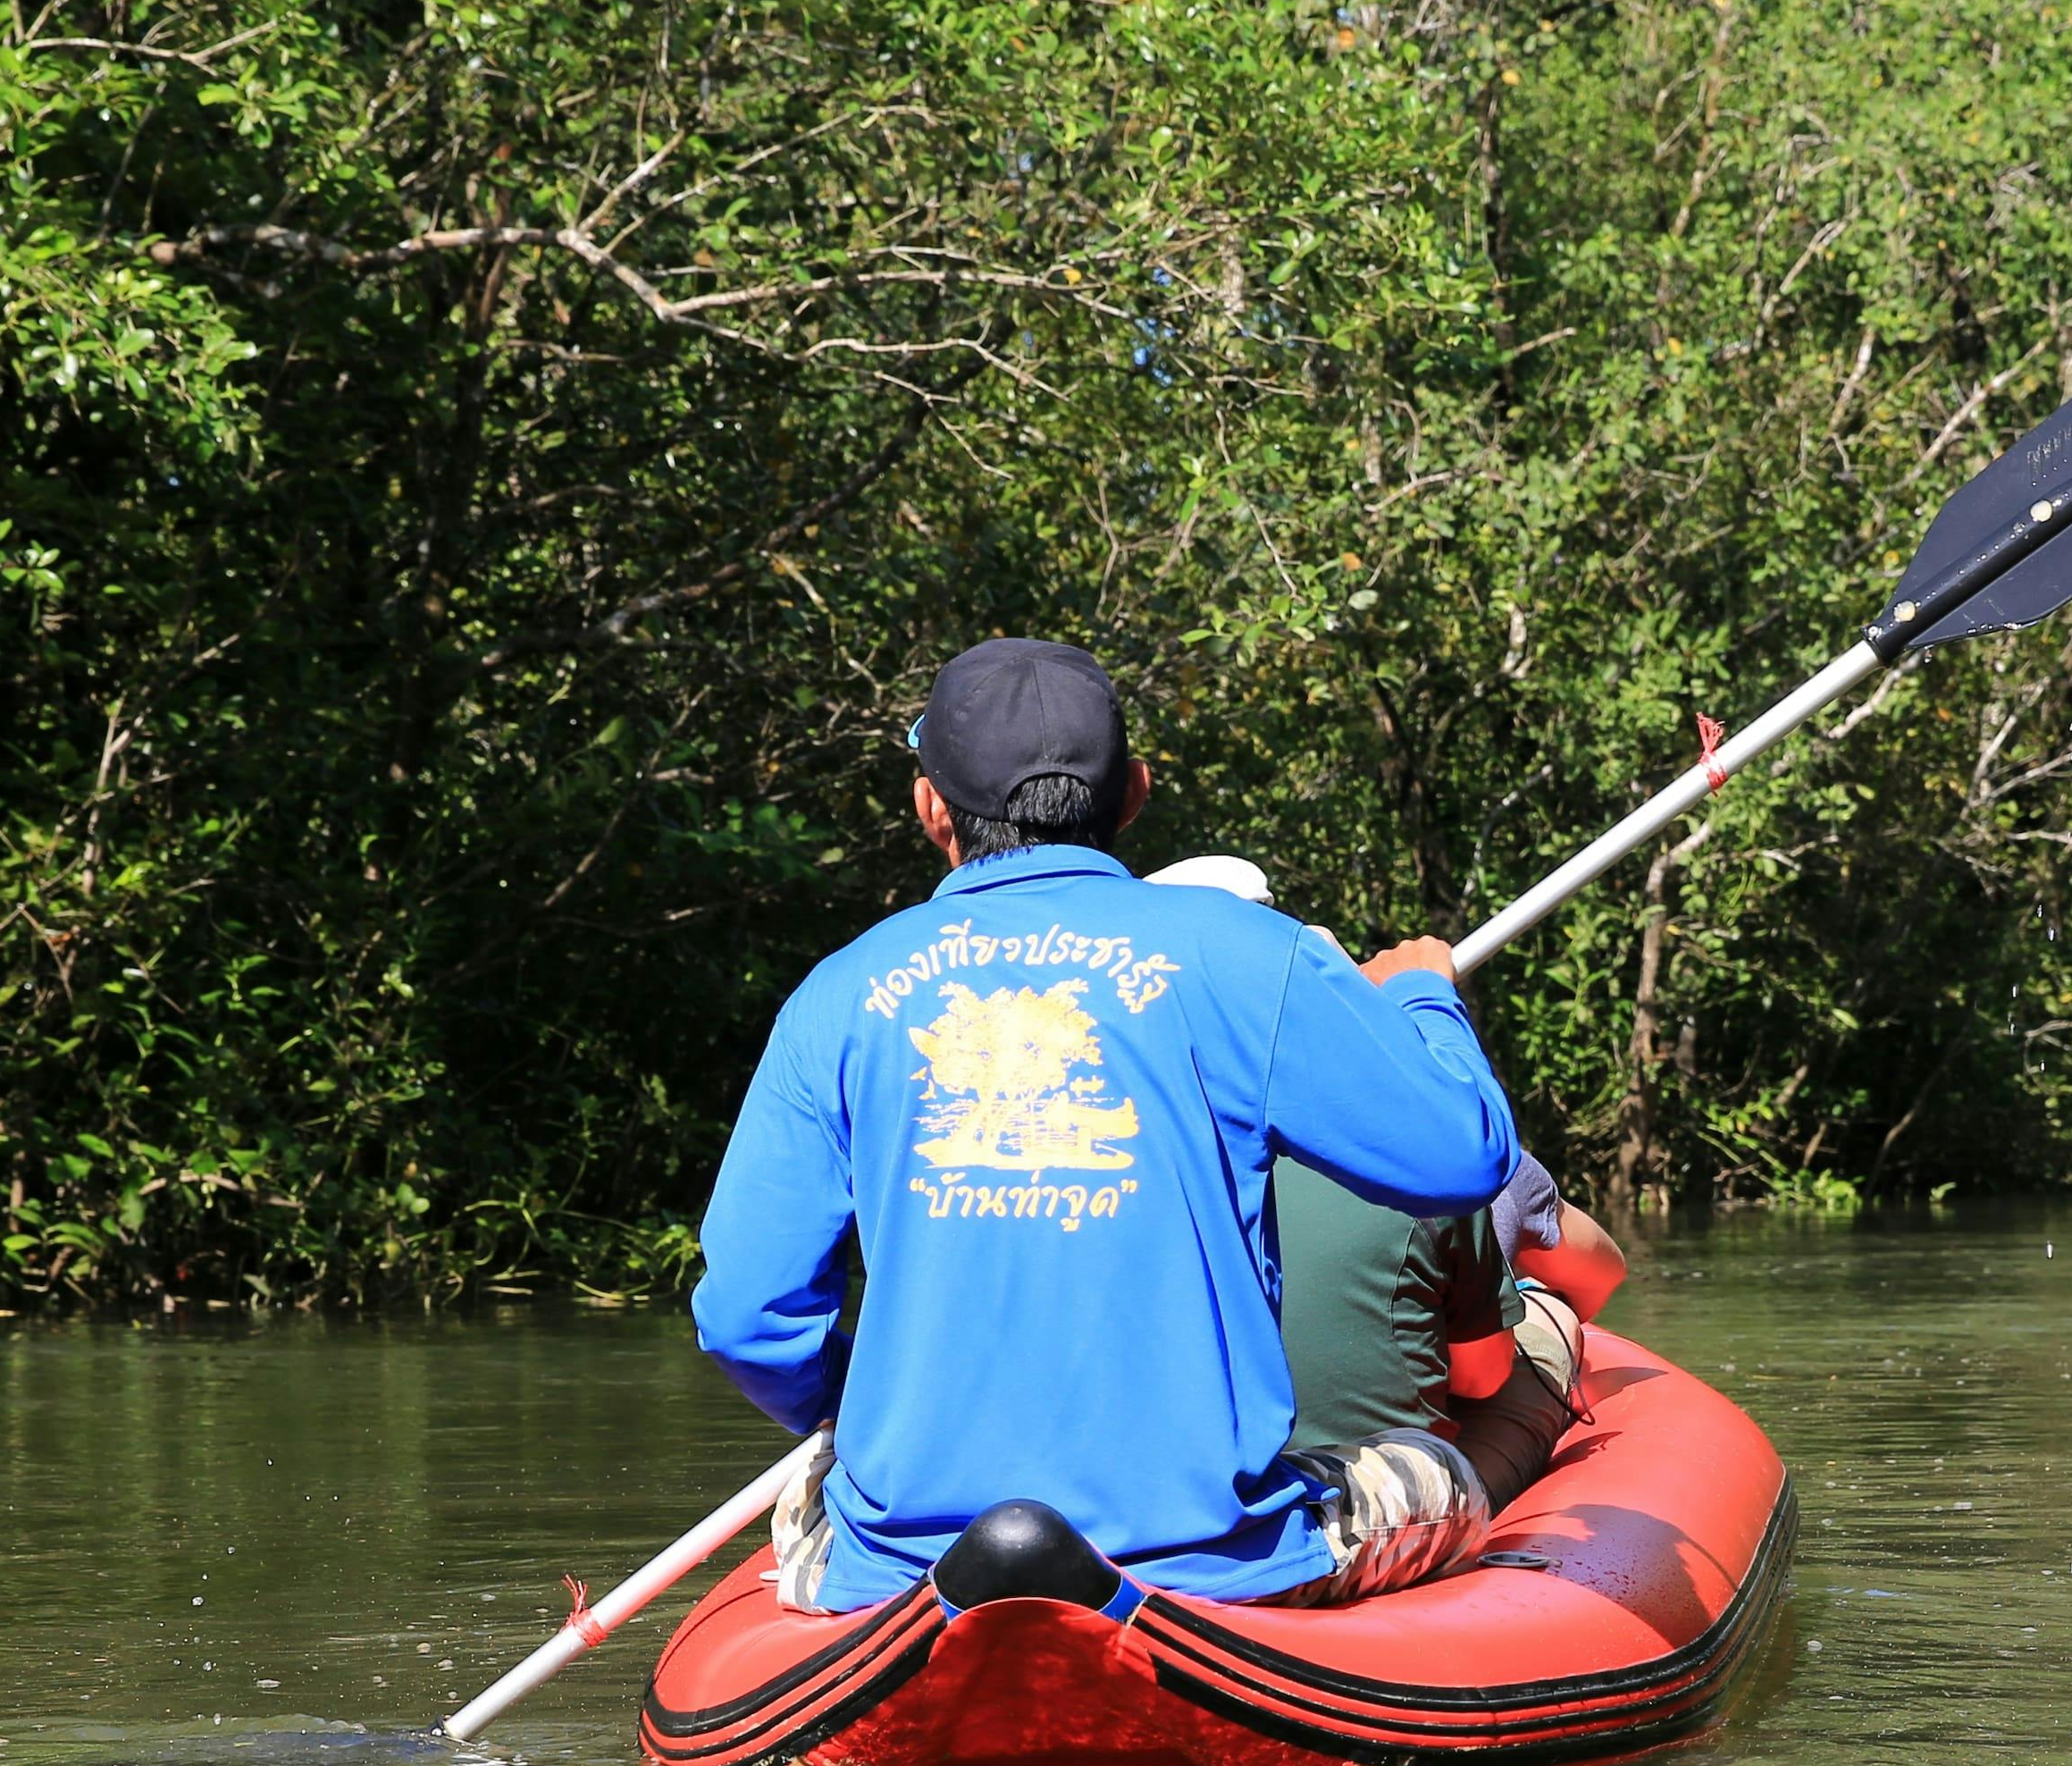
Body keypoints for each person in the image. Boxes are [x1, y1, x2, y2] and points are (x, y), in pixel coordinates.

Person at [691, 638, 1521, 1614]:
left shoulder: (834, 998)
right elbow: (1463, 1154)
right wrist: (1423, 998)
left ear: (929, 808)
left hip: (909, 1565)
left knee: (816, 1491)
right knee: (1442, 1472)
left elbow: (747, 1317)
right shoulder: (1254, 955)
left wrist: (845, 1405)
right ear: (1133, 792)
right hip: (1207, 1556)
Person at [1149, 854, 1629, 1504]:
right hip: (1360, 1499)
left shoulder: (1111, 1153)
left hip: (1169, 1487)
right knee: (1550, 1314)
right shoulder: (1432, 1151)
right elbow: (1489, 1374)